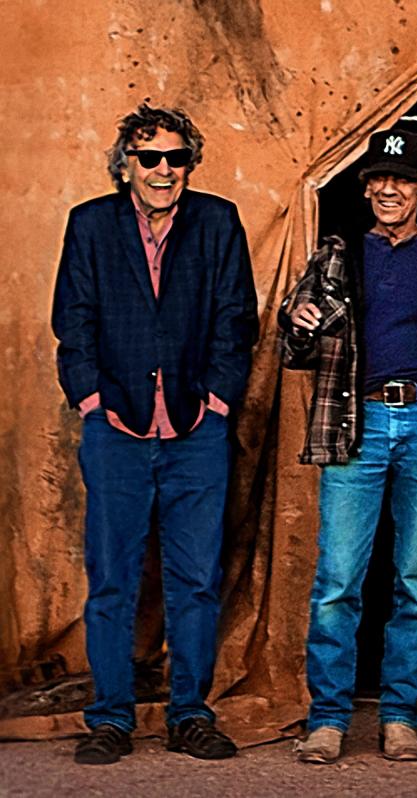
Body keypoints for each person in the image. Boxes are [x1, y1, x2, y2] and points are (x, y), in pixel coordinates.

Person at [278, 128, 417, 764]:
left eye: (401, 179)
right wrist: (297, 323)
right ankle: (328, 717)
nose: (386, 188)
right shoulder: (338, 254)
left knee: (416, 577)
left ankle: (401, 714)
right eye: (377, 178)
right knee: (338, 578)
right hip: (358, 422)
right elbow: (294, 346)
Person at [52, 104, 259, 764]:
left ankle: (189, 715)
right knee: (112, 579)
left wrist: (221, 402)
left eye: (176, 158)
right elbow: (72, 323)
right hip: (116, 428)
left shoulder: (218, 221)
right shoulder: (90, 224)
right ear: (125, 166)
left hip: (197, 428)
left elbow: (237, 321)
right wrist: (93, 401)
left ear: (190, 165)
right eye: (150, 158)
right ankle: (109, 719)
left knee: (196, 579)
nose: (164, 169)